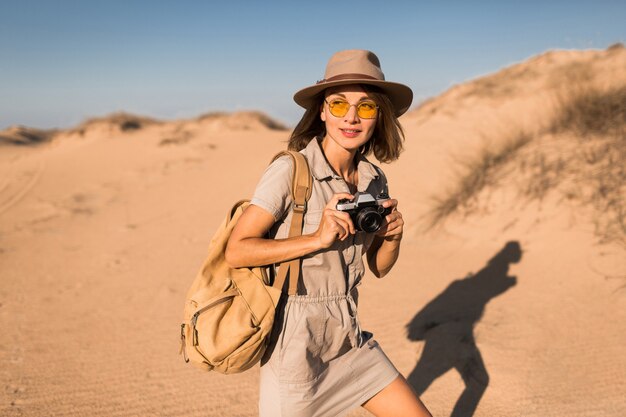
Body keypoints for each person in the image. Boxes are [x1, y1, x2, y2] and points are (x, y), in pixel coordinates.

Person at [225, 50, 432, 417]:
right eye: (339, 105)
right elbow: (237, 251)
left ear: (379, 114)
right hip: (295, 349)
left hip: (349, 337)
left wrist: (392, 238)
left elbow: (379, 268)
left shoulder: (373, 179)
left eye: (366, 107)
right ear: (321, 111)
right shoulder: (291, 170)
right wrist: (316, 239)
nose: (351, 117)